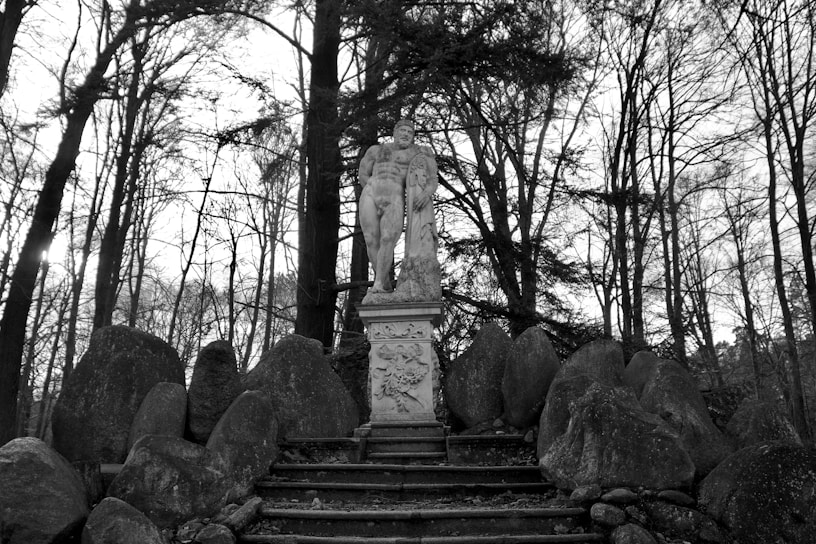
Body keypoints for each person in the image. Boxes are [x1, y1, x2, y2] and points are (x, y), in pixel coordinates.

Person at [358, 120, 438, 297]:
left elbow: (433, 179)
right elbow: (363, 173)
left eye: (410, 132)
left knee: (388, 238)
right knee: (371, 239)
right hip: (371, 192)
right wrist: (371, 187)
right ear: (394, 132)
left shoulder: (418, 153)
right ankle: (384, 282)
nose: (406, 134)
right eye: (403, 130)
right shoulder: (376, 150)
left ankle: (378, 283)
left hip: (395, 196)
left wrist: (426, 194)